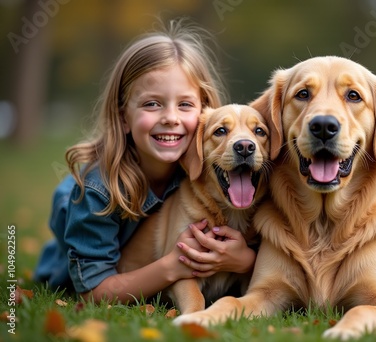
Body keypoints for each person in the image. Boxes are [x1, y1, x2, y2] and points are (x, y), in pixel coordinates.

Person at [34, 19, 257, 303]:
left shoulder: (206, 168)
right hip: (75, 258)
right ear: (123, 116)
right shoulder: (97, 192)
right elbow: (93, 292)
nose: (171, 118)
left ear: (205, 114)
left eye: (185, 104)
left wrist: (245, 261)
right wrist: (173, 266)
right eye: (152, 103)